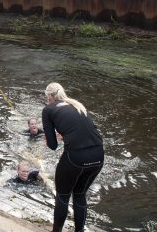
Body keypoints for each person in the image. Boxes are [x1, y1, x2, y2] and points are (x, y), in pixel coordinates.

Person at [42, 82, 104, 232]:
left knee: (62, 196)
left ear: (49, 96)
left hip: (76, 157)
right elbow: (86, 130)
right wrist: (66, 135)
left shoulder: (48, 109)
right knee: (80, 195)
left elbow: (53, 145)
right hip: (98, 155)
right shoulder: (77, 105)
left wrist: (48, 137)